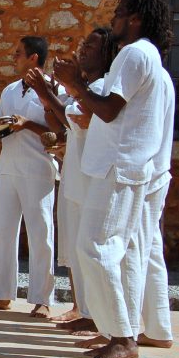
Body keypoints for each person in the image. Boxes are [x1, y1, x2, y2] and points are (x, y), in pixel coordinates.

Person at [53, 0, 175, 358]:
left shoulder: (135, 53)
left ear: (135, 18)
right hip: (116, 167)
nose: (115, 19)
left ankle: (122, 337)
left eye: (120, 12)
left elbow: (108, 110)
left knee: (97, 248)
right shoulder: (142, 55)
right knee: (101, 249)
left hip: (119, 168)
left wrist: (77, 84)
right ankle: (115, 333)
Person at [25, 28, 116, 331]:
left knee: (89, 249)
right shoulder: (88, 88)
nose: (82, 49)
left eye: (91, 45)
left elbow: (77, 118)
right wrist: (46, 95)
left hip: (92, 178)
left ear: (107, 54)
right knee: (77, 250)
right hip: (75, 174)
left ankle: (99, 319)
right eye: (83, 43)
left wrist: (52, 92)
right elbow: (65, 120)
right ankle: (86, 312)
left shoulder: (101, 87)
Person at [0, 36, 60, 317]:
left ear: (33, 58)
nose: (14, 58)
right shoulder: (10, 89)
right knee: (0, 232)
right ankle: (2, 294)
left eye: (18, 54)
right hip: (8, 167)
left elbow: (59, 130)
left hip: (38, 169)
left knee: (40, 234)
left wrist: (27, 125)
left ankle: (42, 299)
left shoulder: (52, 89)